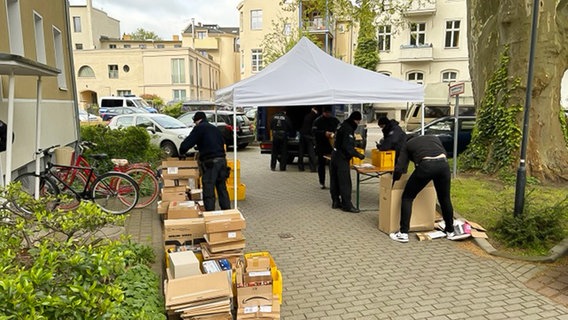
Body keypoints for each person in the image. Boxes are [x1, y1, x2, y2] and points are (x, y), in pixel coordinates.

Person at [389, 135, 457, 243]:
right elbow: (441, 152)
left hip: (426, 166)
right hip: (444, 165)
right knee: (444, 198)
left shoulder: (407, 144)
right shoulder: (433, 138)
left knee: (408, 197)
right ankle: (450, 231)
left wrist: (393, 183)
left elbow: (400, 167)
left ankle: (403, 233)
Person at [179, 111, 230, 212]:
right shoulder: (214, 128)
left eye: (195, 122)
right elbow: (218, 142)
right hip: (222, 161)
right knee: (221, 188)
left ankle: (210, 214)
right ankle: (227, 212)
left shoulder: (199, 128)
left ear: (197, 120)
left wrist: (182, 151)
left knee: (208, 189)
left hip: (211, 163)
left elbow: (187, 143)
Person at [329, 111, 365, 213]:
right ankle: (347, 205)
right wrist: (358, 154)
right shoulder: (348, 129)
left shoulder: (341, 125)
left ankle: (335, 201)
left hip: (334, 156)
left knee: (334, 180)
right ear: (355, 120)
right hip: (342, 158)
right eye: (358, 122)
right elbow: (347, 147)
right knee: (345, 182)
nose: (358, 124)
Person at [312, 106, 340, 189]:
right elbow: (314, 132)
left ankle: (334, 183)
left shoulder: (334, 120)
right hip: (321, 146)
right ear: (323, 112)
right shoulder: (318, 121)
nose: (328, 114)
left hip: (332, 146)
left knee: (334, 165)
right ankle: (322, 182)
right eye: (326, 112)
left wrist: (335, 133)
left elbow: (339, 128)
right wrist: (324, 133)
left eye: (329, 112)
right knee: (321, 164)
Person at [298, 107, 318, 172]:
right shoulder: (315, 116)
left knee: (301, 152)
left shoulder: (307, 115)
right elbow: (314, 128)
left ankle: (300, 167)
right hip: (309, 136)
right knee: (311, 152)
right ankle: (313, 168)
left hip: (302, 135)